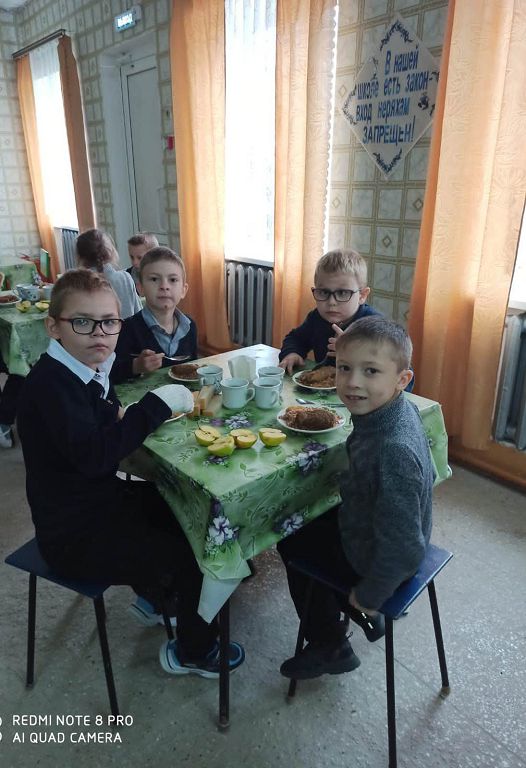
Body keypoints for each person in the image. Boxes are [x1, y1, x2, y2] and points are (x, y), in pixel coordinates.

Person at [16, 270, 244, 678]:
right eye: (82, 322)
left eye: (109, 322)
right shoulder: (51, 385)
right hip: (72, 536)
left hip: (96, 504)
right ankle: (193, 651)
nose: (99, 333)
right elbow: (96, 456)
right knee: (194, 552)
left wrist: (123, 414)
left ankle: (160, 596)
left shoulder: (82, 367)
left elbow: (99, 416)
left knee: (191, 511)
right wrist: (153, 407)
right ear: (53, 327)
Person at [277, 316, 434, 679]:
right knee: (312, 519)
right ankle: (354, 614)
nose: (352, 382)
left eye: (370, 371)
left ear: (402, 379)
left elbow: (404, 547)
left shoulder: (393, 449)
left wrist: (369, 596)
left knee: (291, 539)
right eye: (345, 368)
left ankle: (330, 644)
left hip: (379, 558)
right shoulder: (393, 409)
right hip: (373, 527)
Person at [278, 249, 380, 375]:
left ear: (362, 295)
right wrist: (292, 353)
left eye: (342, 293)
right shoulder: (316, 318)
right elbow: (296, 339)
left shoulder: (375, 325)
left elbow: (396, 367)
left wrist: (356, 354)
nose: (331, 302)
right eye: (324, 292)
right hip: (322, 385)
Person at [110, 246, 197, 384]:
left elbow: (194, 368)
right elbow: (110, 373)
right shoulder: (126, 329)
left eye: (173, 280)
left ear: (183, 290)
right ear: (140, 288)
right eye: (154, 279)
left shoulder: (190, 326)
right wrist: (135, 366)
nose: (164, 286)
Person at [76, 228, 142, 319]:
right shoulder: (125, 278)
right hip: (128, 328)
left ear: (80, 257)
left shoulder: (77, 286)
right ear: (111, 252)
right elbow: (138, 315)